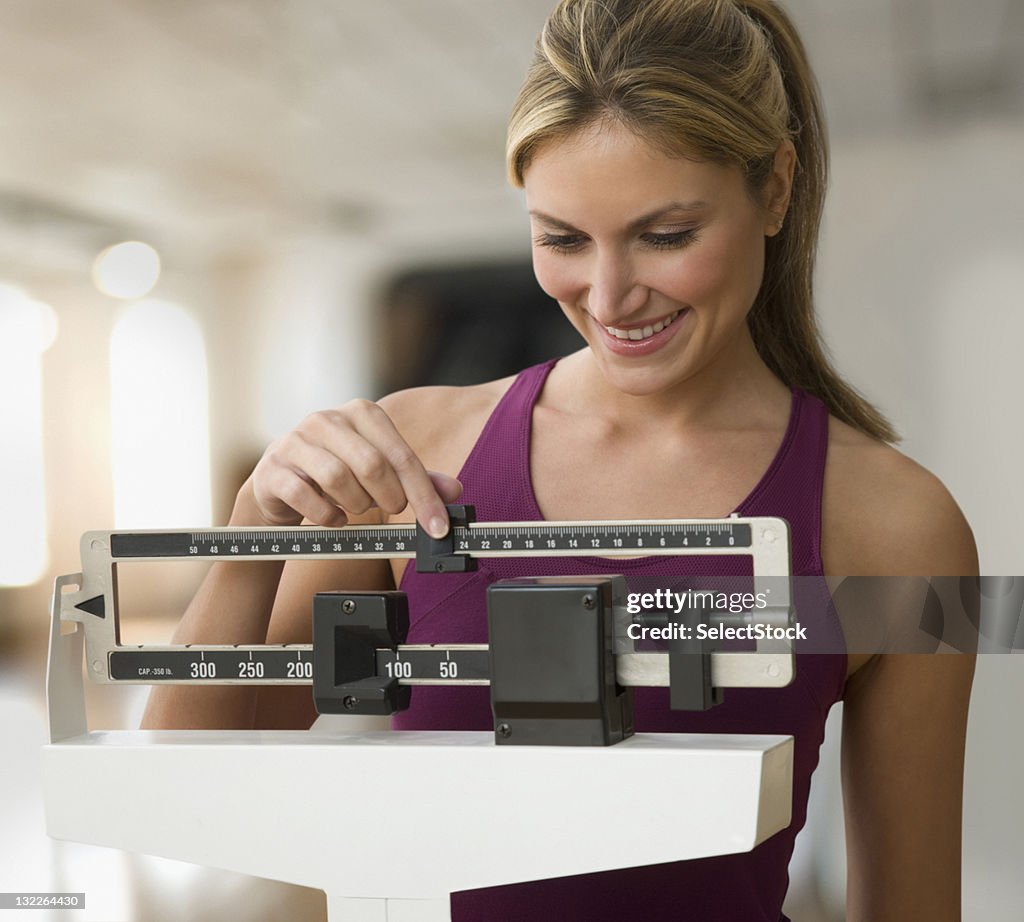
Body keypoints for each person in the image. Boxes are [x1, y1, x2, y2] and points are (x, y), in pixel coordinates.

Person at [142, 0, 978, 919]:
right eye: (563, 239)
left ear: (775, 188)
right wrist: (253, 528)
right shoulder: (422, 454)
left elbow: (911, 903)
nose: (611, 295)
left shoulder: (895, 524)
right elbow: (192, 786)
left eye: (666, 235)